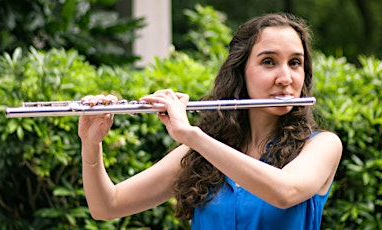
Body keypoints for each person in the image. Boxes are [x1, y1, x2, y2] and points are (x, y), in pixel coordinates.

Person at [78, 12, 342, 229]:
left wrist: (191, 134)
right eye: (269, 62)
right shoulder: (201, 151)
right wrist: (91, 144)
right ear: (241, 71)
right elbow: (107, 206)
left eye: (295, 63)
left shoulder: (322, 146)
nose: (285, 78)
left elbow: (286, 192)